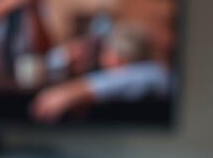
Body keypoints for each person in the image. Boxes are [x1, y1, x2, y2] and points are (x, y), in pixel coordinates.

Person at [30, 24, 171, 123]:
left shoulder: (154, 74)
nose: (105, 60)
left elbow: (140, 77)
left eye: (110, 54)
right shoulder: (105, 74)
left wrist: (70, 93)